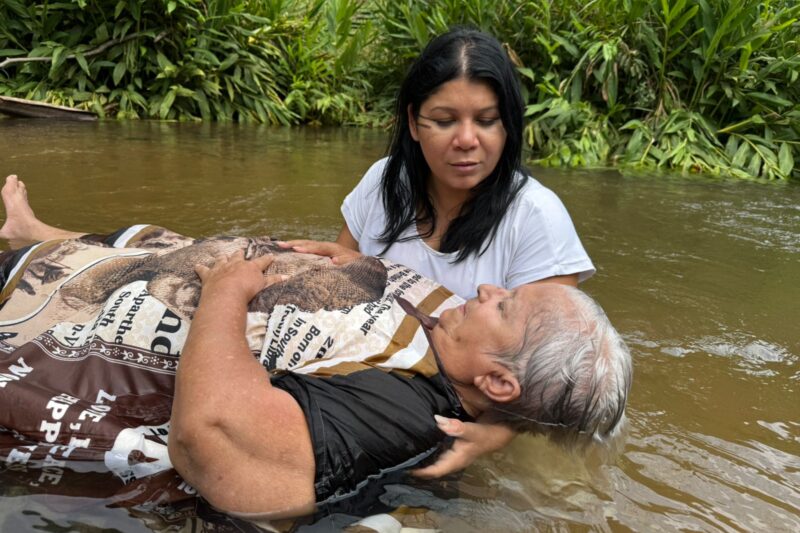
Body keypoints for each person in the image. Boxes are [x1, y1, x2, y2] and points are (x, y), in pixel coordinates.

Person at [0, 176, 632, 519]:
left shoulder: (405, 413)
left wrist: (226, 291)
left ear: (498, 384)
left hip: (58, 313)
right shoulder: (452, 332)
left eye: (506, 304)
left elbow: (213, 438)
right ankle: (39, 233)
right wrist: (358, 268)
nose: (489, 288)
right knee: (164, 247)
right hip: (150, 267)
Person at [280, 27, 596, 474]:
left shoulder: (536, 218)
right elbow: (340, 283)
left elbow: (555, 374)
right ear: (413, 122)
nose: (467, 140)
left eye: (486, 121)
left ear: (508, 125)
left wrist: (493, 435)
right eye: (445, 121)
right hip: (355, 391)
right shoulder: (383, 184)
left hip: (447, 422)